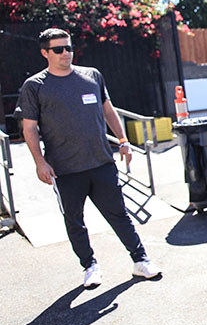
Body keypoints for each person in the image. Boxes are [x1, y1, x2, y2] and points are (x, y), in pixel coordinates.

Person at [16, 28, 162, 288]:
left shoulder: (91, 75)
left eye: (68, 48)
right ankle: (90, 266)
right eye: (58, 49)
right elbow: (29, 128)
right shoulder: (35, 86)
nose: (65, 54)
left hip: (102, 162)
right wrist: (40, 162)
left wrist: (124, 141)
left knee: (119, 214)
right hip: (65, 169)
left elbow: (109, 110)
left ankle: (141, 261)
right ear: (45, 53)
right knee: (75, 221)